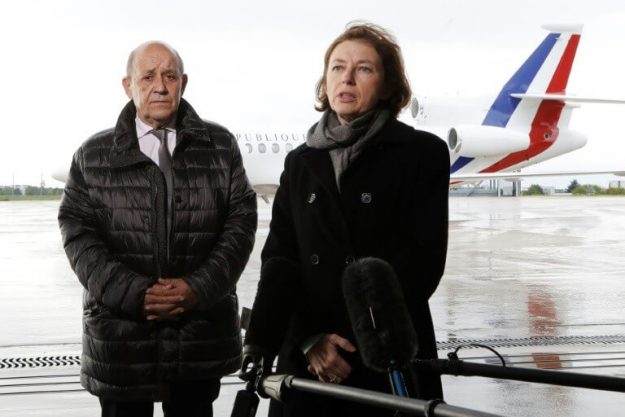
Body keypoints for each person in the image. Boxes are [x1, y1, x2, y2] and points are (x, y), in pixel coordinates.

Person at [243, 22, 449, 416]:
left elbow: (422, 264)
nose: (347, 78)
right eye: (337, 68)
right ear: (325, 81)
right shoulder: (301, 161)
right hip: (308, 363)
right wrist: (307, 339)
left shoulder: (422, 154)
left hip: (382, 357)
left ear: (388, 85)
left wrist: (357, 342)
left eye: (364, 69)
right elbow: (281, 260)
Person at [58, 41, 257, 417]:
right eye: (147, 77)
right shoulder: (93, 155)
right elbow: (78, 236)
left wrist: (197, 289)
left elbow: (241, 224)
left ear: (183, 82)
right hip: (120, 341)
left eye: (169, 76)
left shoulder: (220, 146)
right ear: (127, 85)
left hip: (198, 337)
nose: (160, 87)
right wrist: (135, 294)